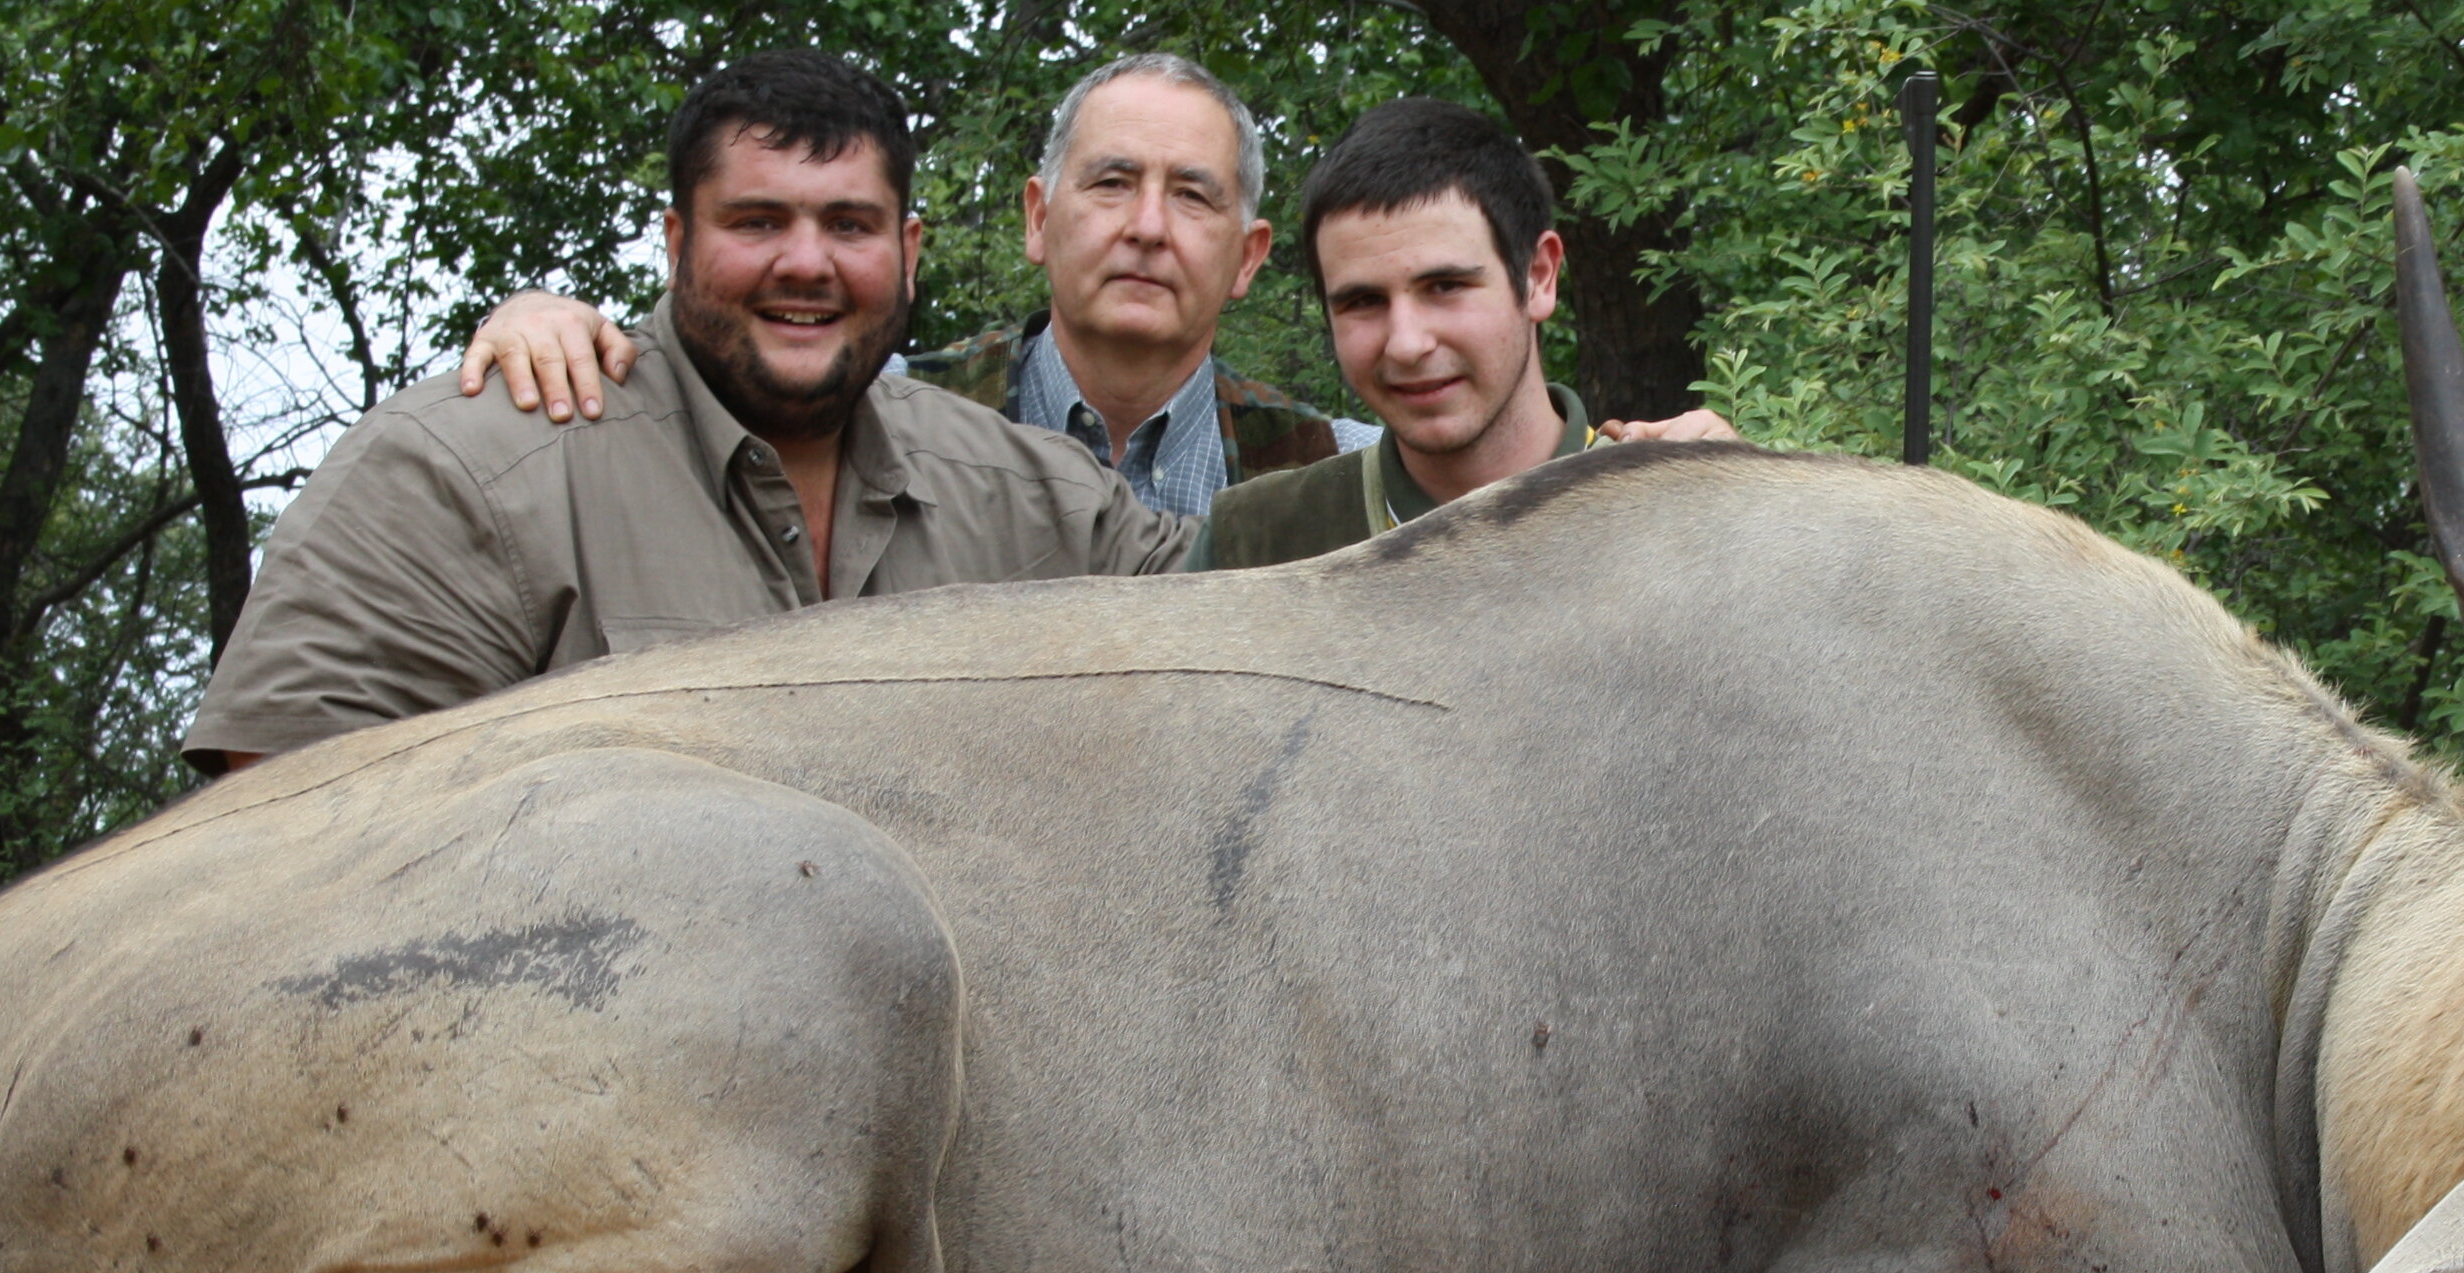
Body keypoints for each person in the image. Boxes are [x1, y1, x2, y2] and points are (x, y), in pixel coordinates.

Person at [184, 50, 1189, 774]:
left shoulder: (1036, 499)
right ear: (676, 241)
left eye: (850, 224)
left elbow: (1285, 573)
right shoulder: (468, 465)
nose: (807, 262)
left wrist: (1357, 325)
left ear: (909, 251)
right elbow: (287, 822)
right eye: (757, 222)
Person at [462, 52, 1365, 511]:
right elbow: (708, 379)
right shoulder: (864, 412)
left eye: (1192, 196)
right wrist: (543, 319)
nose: (1146, 227)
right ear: (1036, 219)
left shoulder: (1344, 474)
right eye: (1112, 182)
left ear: (1248, 256)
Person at [1197, 97, 1622, 568]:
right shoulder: (1258, 540)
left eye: (1445, 286)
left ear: (1539, 277)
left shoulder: (1676, 518)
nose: (1406, 344)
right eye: (1363, 302)